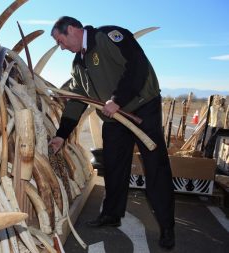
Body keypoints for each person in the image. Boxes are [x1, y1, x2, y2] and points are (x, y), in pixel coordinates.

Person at [49, 16, 175, 250]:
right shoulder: (78, 64)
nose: (61, 47)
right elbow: (77, 101)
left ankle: (167, 226)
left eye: (60, 40)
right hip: (114, 118)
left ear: (74, 29)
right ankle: (111, 214)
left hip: (142, 108)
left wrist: (118, 99)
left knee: (155, 166)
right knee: (115, 166)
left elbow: (137, 65)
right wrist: (61, 134)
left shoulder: (108, 37)